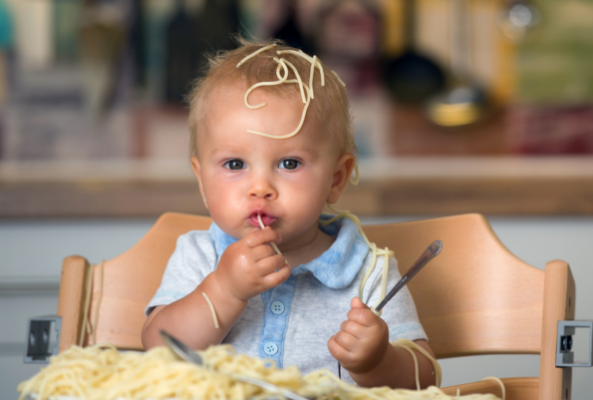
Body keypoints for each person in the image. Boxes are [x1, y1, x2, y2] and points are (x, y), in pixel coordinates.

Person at [142, 39, 437, 389]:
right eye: (235, 164)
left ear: (336, 179)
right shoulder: (200, 255)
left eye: (289, 163)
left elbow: (426, 378)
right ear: (202, 181)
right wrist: (224, 289)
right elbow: (158, 350)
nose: (260, 187)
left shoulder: (369, 270)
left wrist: (378, 361)